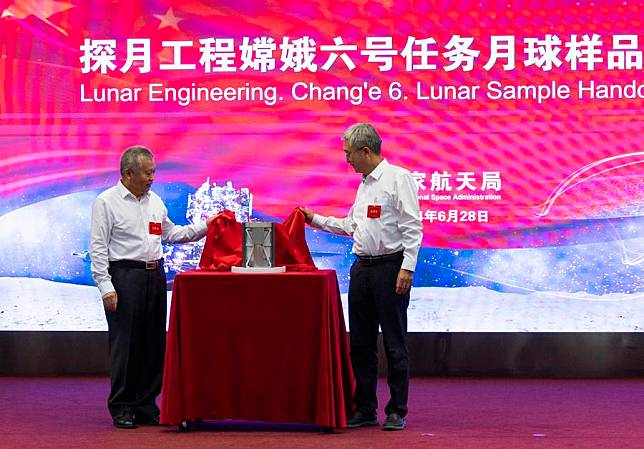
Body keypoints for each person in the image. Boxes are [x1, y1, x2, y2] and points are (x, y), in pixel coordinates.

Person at [300, 123, 422, 431]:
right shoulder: (365, 184)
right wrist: (315, 219)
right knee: (361, 344)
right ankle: (365, 408)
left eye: (348, 153)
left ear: (365, 151)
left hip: (390, 269)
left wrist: (407, 267)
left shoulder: (399, 178)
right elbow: (352, 225)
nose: (347, 160)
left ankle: (397, 409)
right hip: (362, 269)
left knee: (394, 343)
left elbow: (413, 227)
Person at [90, 146, 213, 429]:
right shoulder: (106, 202)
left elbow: (172, 234)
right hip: (124, 276)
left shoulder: (155, 201)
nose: (151, 178)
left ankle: (146, 403)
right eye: (147, 173)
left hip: (154, 275)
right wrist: (105, 287)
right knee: (126, 345)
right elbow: (97, 249)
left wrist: (206, 227)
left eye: (153, 172)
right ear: (127, 173)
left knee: (153, 343)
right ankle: (122, 406)